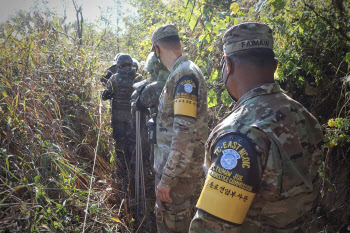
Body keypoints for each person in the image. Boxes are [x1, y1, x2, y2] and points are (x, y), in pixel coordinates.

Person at [189, 22, 324, 233]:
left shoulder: (239, 133)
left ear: (228, 65)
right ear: (275, 65)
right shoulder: (305, 117)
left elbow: (212, 228)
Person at [150, 24, 208, 233]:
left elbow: (183, 132)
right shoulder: (183, 72)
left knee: (172, 224)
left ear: (157, 49)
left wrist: (167, 179)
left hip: (176, 176)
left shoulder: (184, 76)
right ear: (180, 45)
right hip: (179, 172)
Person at [101, 53, 140, 158]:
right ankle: (132, 166)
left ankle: (121, 169)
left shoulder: (113, 78)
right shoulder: (139, 78)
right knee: (132, 142)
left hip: (117, 116)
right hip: (133, 115)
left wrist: (102, 93)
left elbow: (106, 96)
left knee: (119, 142)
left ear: (119, 65)